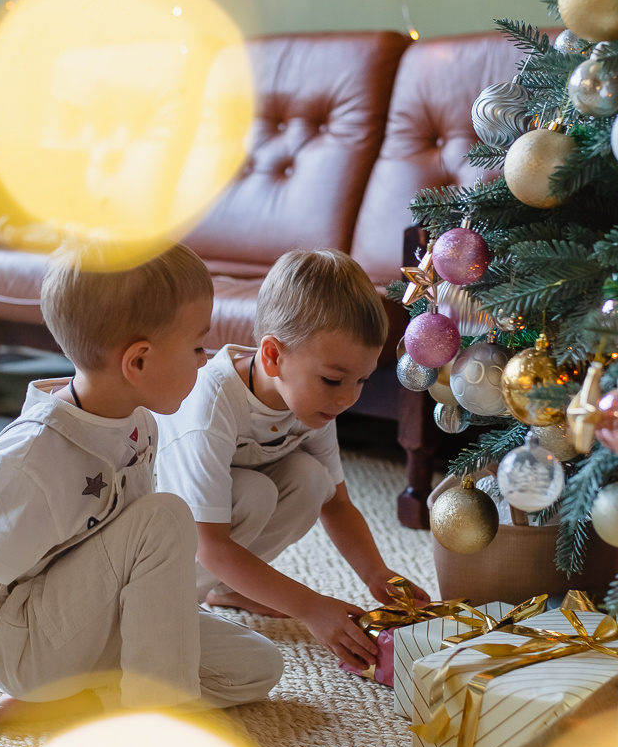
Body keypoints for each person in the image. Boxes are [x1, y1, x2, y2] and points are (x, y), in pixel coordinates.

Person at [0, 242, 283, 747]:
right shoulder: (31, 456)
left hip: (90, 621)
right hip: (28, 642)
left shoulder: (137, 419)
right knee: (167, 515)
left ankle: (83, 701)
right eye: (198, 348)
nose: (208, 360)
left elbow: (131, 558)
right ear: (139, 361)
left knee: (258, 667)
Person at [155, 248, 430, 672]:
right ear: (272, 356)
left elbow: (337, 503)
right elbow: (209, 544)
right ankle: (174, 604)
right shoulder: (211, 406)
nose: (347, 398)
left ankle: (228, 590)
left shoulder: (314, 402)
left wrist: (377, 574)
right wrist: (311, 606)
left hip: (225, 511)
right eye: (334, 379)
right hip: (163, 528)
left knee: (310, 479)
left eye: (362, 380)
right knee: (252, 494)